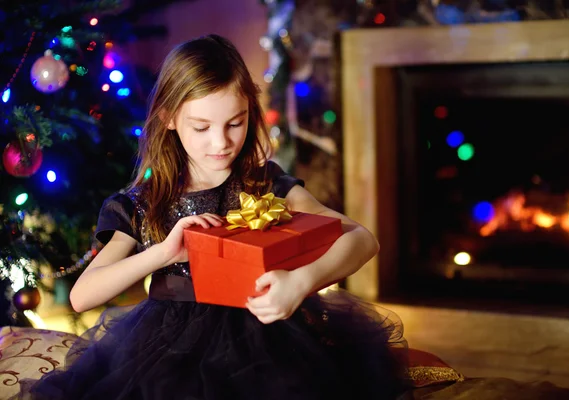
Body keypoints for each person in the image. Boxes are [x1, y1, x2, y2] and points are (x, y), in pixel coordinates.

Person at [15, 34, 407, 400]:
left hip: (270, 335)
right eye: (201, 127)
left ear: (250, 113)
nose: (221, 142)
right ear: (169, 118)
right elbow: (83, 296)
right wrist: (164, 253)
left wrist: (302, 281)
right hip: (167, 346)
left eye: (235, 123)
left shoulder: (266, 184)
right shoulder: (140, 203)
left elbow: (362, 238)